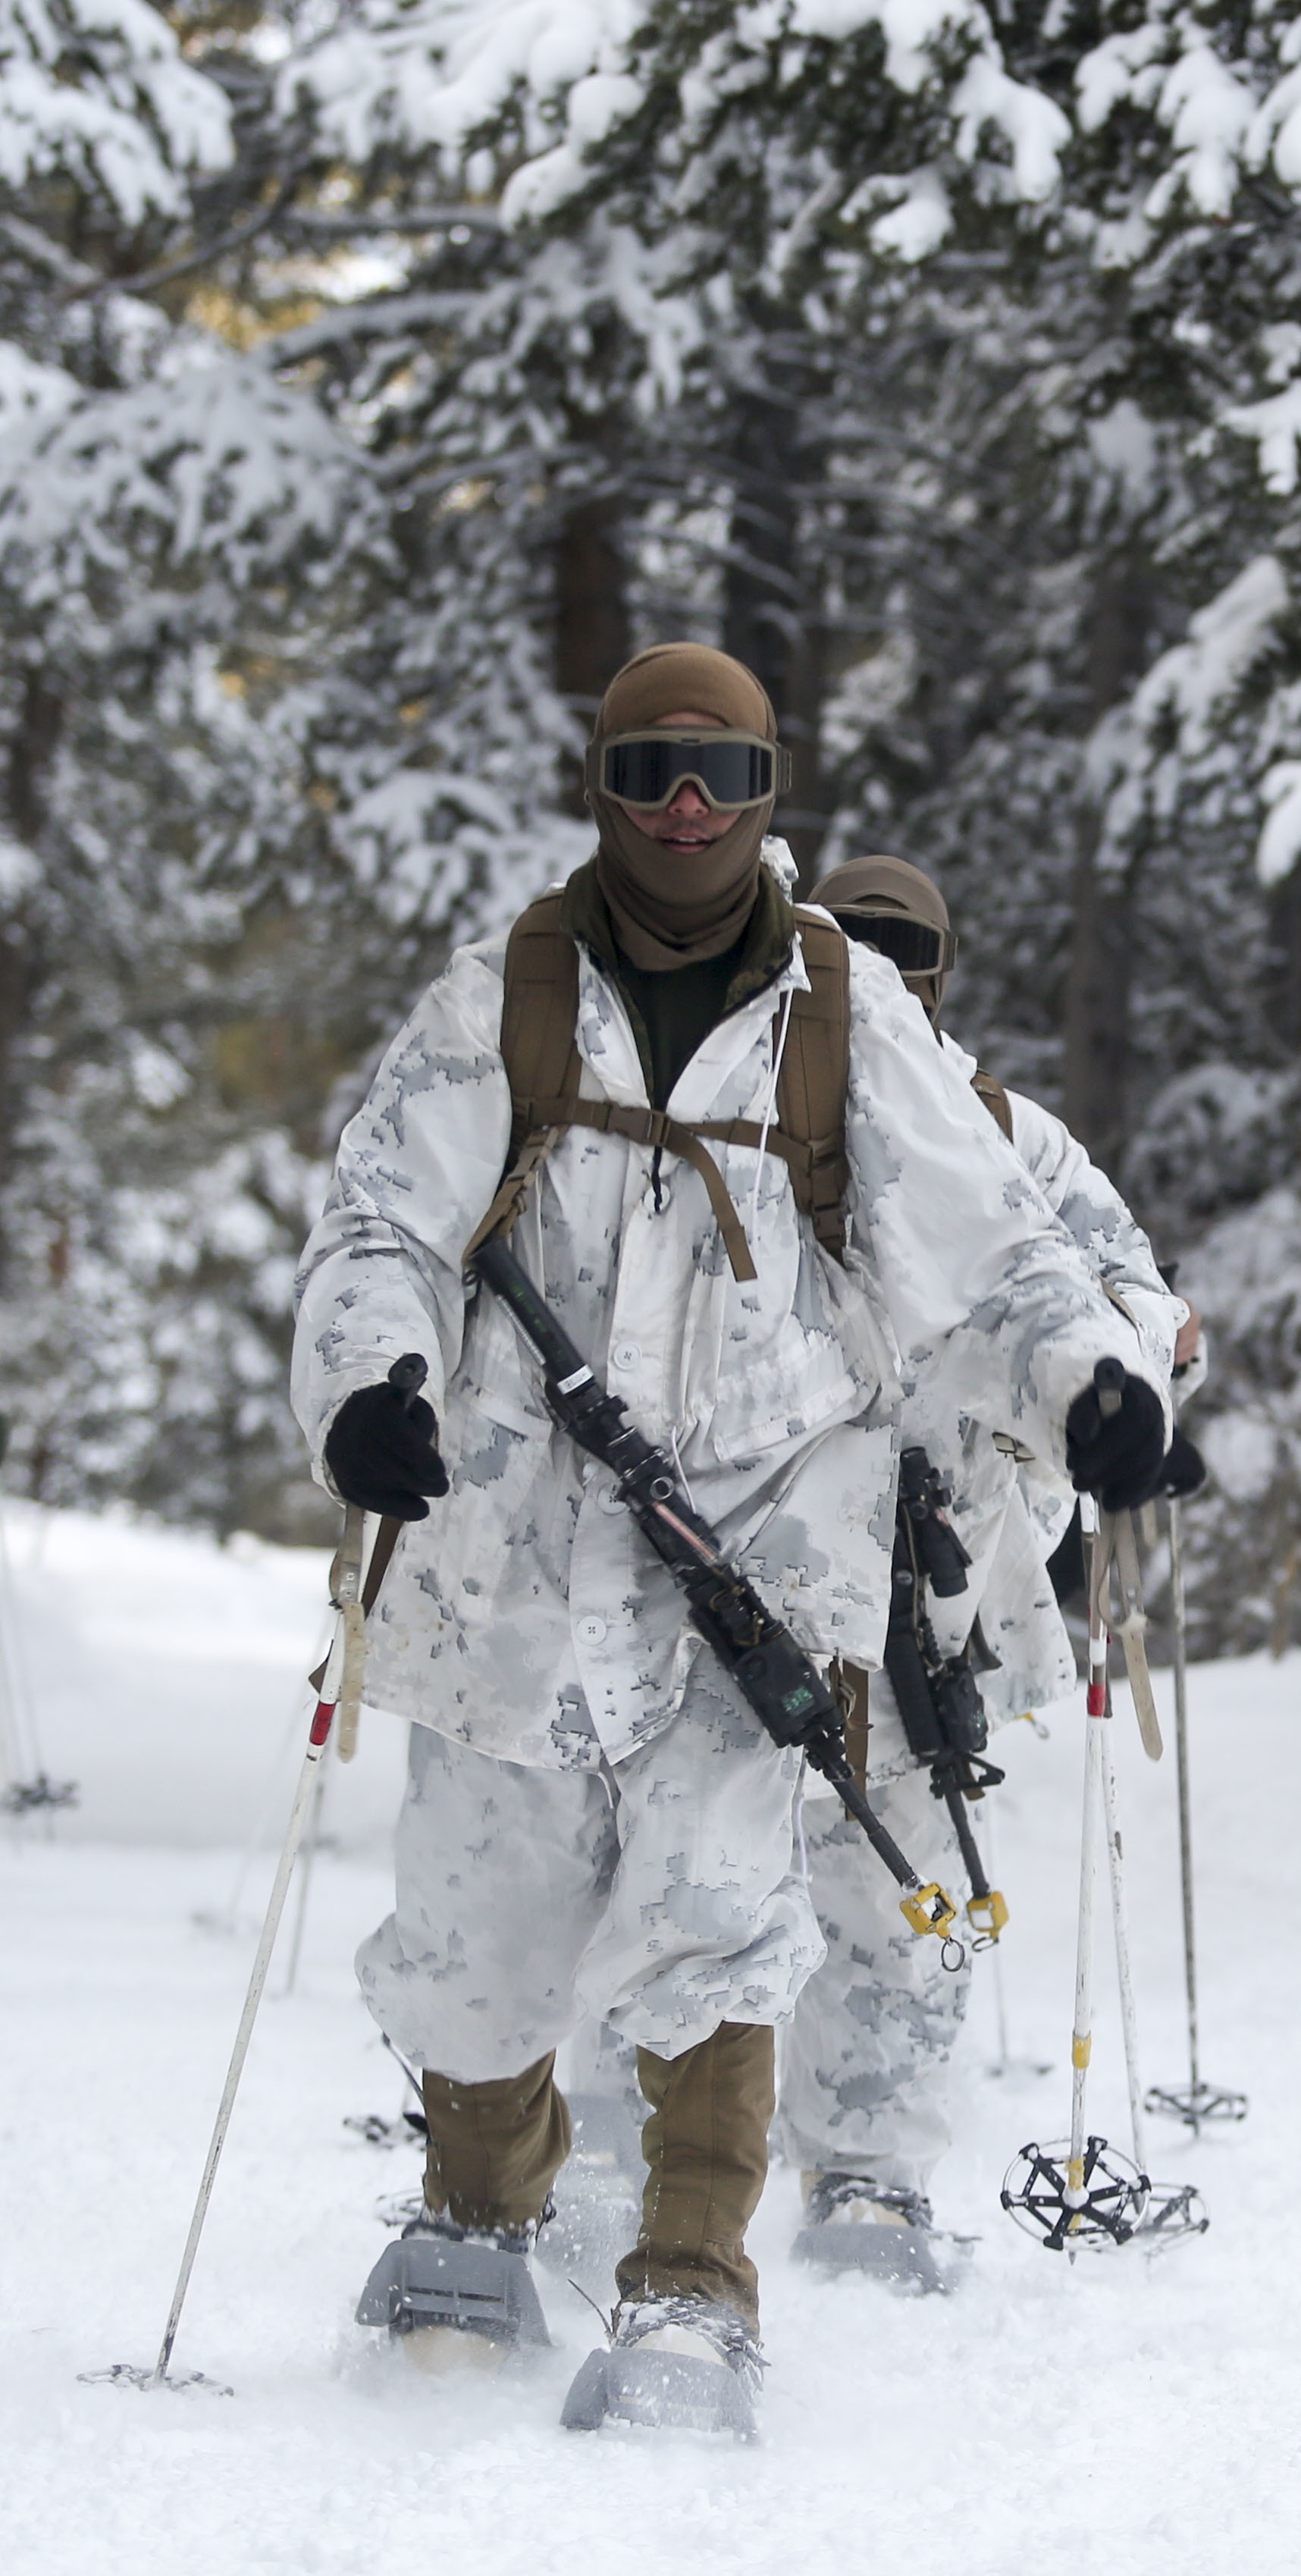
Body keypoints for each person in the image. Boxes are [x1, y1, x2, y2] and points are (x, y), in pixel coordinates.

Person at [291, 642, 1184, 2434]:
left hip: (760, 1549)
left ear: (766, 789)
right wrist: (369, 1382)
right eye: (646, 771)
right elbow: (378, 1215)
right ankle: (476, 2206)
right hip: (511, 1553)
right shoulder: (503, 1002)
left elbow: (992, 1247)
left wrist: (1086, 1382)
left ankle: (691, 2292)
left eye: (714, 770)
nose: (681, 806)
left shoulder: (844, 1014)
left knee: (718, 1917)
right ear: (600, 786)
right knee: (474, 1953)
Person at [770, 855, 1202, 2283]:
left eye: (908, 947)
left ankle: (869, 2176)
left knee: (905, 1874)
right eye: (856, 941)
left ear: (944, 968)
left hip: (933, 1562)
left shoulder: (1015, 1138)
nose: (883, 968)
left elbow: (1130, 1291)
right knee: (671, 1839)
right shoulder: (736, 1088)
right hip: (744, 1542)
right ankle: (600, 2144)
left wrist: (1122, 1404)